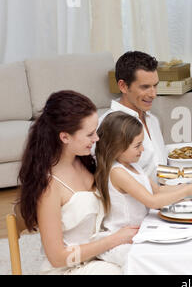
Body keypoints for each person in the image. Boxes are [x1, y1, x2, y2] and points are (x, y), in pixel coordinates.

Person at [18, 91, 137, 275]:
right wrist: (114, 240)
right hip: (68, 269)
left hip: (100, 256)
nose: (96, 139)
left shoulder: (84, 161)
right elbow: (57, 258)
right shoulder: (49, 186)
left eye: (95, 131)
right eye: (89, 134)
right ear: (65, 137)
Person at [94, 111, 192, 267]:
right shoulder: (117, 172)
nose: (142, 149)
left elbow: (157, 191)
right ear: (117, 147)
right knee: (163, 260)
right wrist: (187, 192)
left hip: (141, 230)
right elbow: (152, 201)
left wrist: (190, 185)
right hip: (122, 241)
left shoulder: (132, 166)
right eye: (137, 145)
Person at [97, 51, 166, 182]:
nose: (153, 94)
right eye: (145, 87)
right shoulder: (108, 126)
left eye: (155, 85)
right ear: (123, 86)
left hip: (167, 194)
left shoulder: (153, 120)